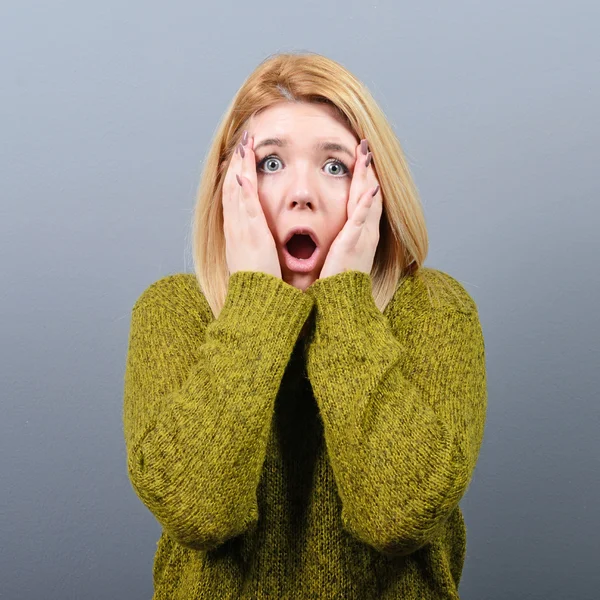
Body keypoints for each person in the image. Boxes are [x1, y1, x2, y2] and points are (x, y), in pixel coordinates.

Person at [123, 51, 487, 599]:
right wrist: (256, 305)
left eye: (335, 165)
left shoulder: (437, 311)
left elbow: (400, 516)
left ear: (376, 188)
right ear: (230, 186)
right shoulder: (172, 312)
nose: (302, 193)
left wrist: (345, 302)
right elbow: (197, 510)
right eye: (270, 163)